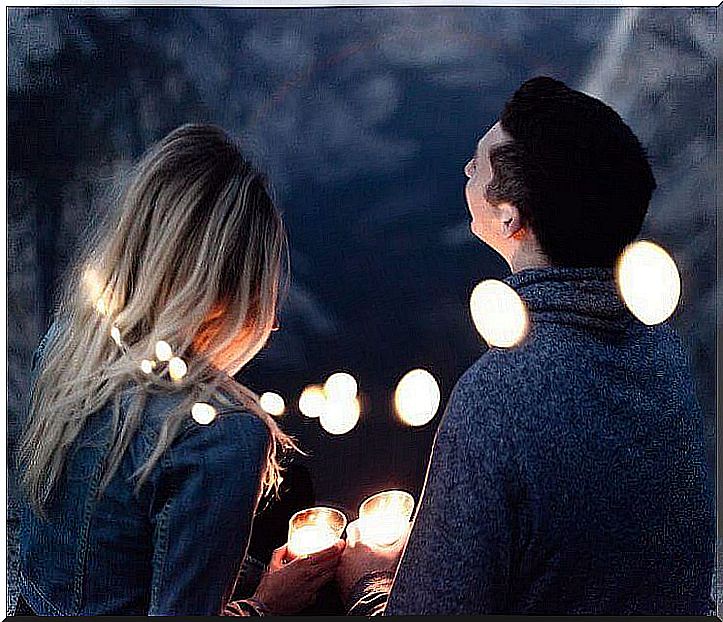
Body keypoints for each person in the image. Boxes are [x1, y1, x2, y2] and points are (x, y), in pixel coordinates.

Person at [336, 77, 715, 615]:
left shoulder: (498, 394)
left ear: (511, 216)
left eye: (478, 162)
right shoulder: (666, 358)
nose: (466, 171)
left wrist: (367, 585)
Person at [15, 124, 344, 616]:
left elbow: (109, 555)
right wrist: (264, 605)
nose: (272, 319)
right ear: (224, 292)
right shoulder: (223, 435)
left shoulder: (67, 347)